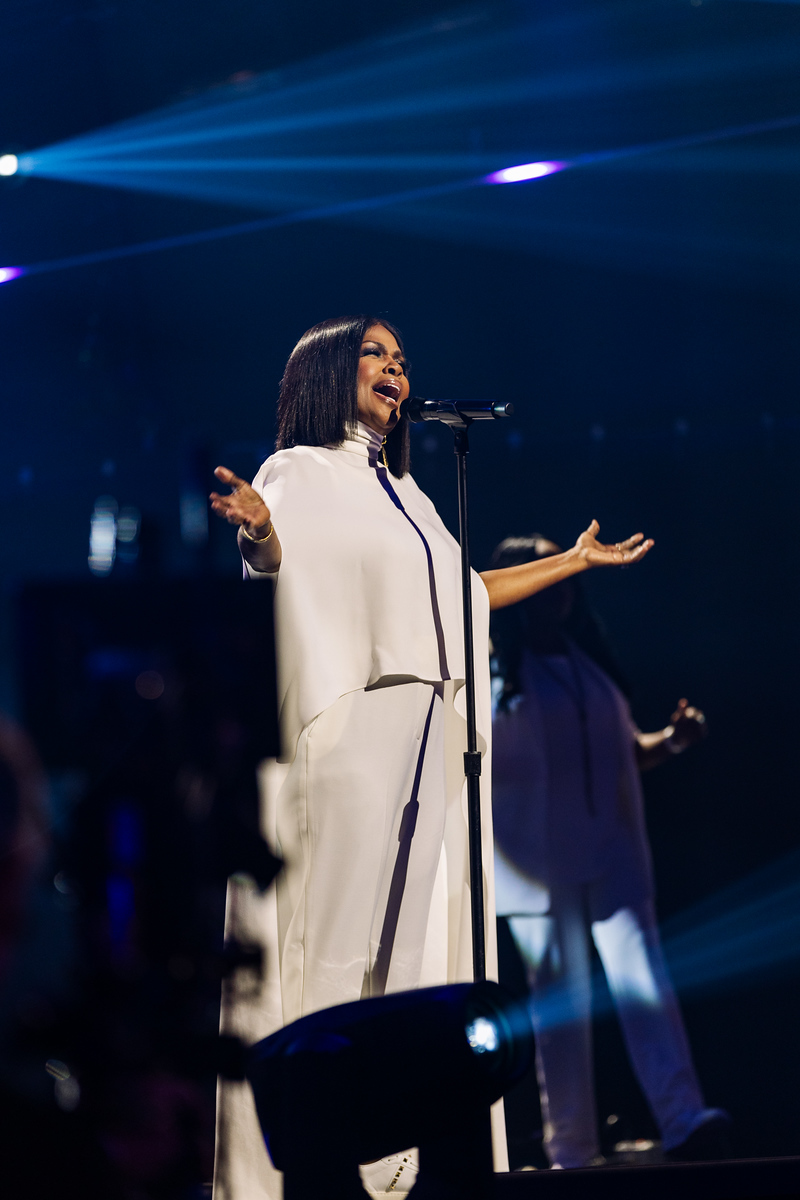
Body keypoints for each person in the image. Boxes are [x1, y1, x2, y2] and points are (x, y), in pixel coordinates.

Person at [208, 316, 652, 1198]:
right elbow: (276, 569)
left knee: (408, 947)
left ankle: (389, 1144)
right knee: (340, 943)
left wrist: (569, 563)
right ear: (332, 368)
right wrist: (258, 533)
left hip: (431, 733)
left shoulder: (410, 493)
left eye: (403, 361)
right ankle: (318, 1140)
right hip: (354, 730)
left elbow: (463, 597)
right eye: (378, 354)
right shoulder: (297, 472)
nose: (397, 371)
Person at [489, 533, 730, 1171]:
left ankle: (684, 1118)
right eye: (549, 570)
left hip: (614, 853)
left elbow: (626, 752)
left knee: (645, 985)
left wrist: (673, 741)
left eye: (569, 575)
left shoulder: (586, 662)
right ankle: (571, 1148)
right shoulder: (491, 674)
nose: (563, 586)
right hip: (537, 869)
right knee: (559, 1012)